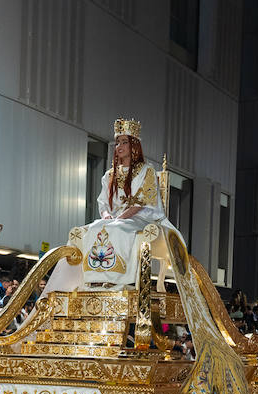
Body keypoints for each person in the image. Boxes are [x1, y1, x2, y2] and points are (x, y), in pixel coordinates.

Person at [45, 119, 167, 292]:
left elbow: (142, 201)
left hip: (141, 218)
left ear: (134, 146)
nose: (119, 146)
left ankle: (119, 279)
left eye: (124, 142)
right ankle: (91, 279)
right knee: (92, 228)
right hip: (116, 219)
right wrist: (106, 216)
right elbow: (102, 202)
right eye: (117, 142)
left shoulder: (146, 170)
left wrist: (119, 219)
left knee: (118, 229)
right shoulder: (110, 175)